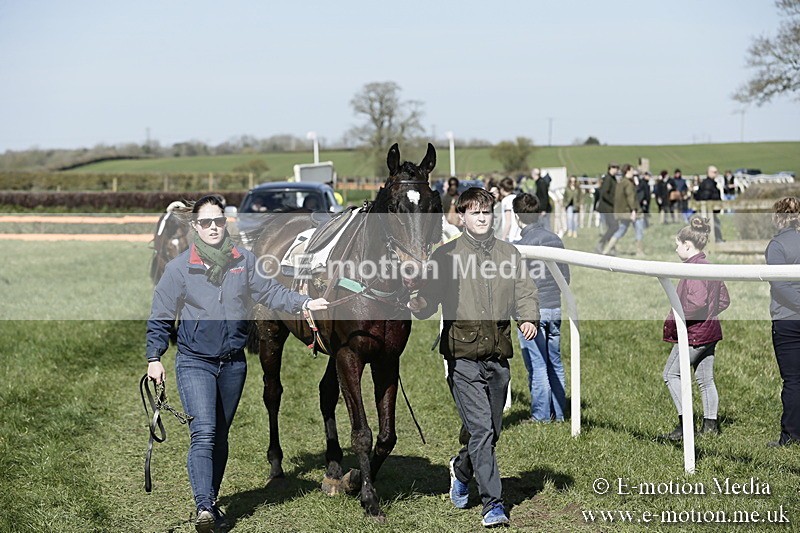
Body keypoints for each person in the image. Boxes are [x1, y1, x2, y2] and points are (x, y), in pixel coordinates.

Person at [146, 195, 329, 532]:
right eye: (205, 222)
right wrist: (154, 358)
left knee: (221, 434)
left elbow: (271, 293)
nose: (213, 227)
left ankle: (211, 498)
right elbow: (160, 317)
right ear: (196, 227)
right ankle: (204, 507)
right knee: (204, 432)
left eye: (218, 221)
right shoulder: (178, 268)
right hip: (194, 362)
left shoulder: (243, 261)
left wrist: (303, 302)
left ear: (224, 223)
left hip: (233, 363)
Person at [407, 187, 539, 528]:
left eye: (486, 212)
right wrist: (419, 304)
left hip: (498, 354)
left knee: (490, 431)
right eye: (474, 213)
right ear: (461, 216)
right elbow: (429, 298)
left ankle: (461, 469)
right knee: (481, 430)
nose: (482, 218)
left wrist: (528, 317)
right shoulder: (445, 255)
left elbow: (525, 290)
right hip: (462, 356)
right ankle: (493, 503)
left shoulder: (510, 253)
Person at [660, 217, 730, 441]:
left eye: (678, 244)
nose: (676, 247)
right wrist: (709, 315)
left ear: (688, 245)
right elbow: (724, 300)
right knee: (705, 379)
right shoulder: (709, 267)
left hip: (694, 334)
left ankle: (685, 424)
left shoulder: (694, 270)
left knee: (670, 374)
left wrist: (678, 318)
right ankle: (710, 426)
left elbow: (697, 303)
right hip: (710, 331)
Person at [513, 193, 569, 422]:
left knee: (537, 365)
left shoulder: (519, 247)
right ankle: (560, 412)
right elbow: (565, 276)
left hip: (531, 312)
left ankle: (541, 416)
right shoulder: (555, 238)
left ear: (517, 217)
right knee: (554, 362)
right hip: (555, 307)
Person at [765, 197, 800, 447]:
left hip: (787, 320)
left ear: (778, 217)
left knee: (793, 380)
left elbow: (780, 285)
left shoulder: (776, 245)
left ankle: (790, 435)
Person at [603, 164, 644, 256]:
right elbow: (631, 198)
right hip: (632, 211)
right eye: (632, 170)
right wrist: (634, 210)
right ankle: (639, 251)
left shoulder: (620, 183)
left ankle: (607, 249)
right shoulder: (628, 184)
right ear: (628, 171)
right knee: (639, 230)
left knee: (621, 230)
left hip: (623, 212)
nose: (633, 172)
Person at [694, 166, 724, 242]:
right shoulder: (708, 184)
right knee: (713, 225)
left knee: (715, 224)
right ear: (709, 172)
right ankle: (716, 241)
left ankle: (715, 240)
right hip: (708, 210)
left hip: (711, 210)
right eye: (714, 172)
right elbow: (705, 197)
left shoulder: (711, 183)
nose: (716, 173)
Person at [595, 162, 619, 253]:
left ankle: (610, 247)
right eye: (614, 167)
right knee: (614, 227)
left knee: (612, 227)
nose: (616, 169)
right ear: (610, 168)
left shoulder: (613, 179)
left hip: (609, 207)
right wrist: (614, 202)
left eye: (617, 167)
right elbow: (604, 193)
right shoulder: (608, 179)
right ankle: (602, 243)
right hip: (607, 207)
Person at [496, 177, 520, 242]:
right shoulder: (516, 197)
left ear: (502, 189)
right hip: (518, 233)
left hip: (510, 236)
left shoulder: (506, 200)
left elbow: (508, 221)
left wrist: (503, 237)